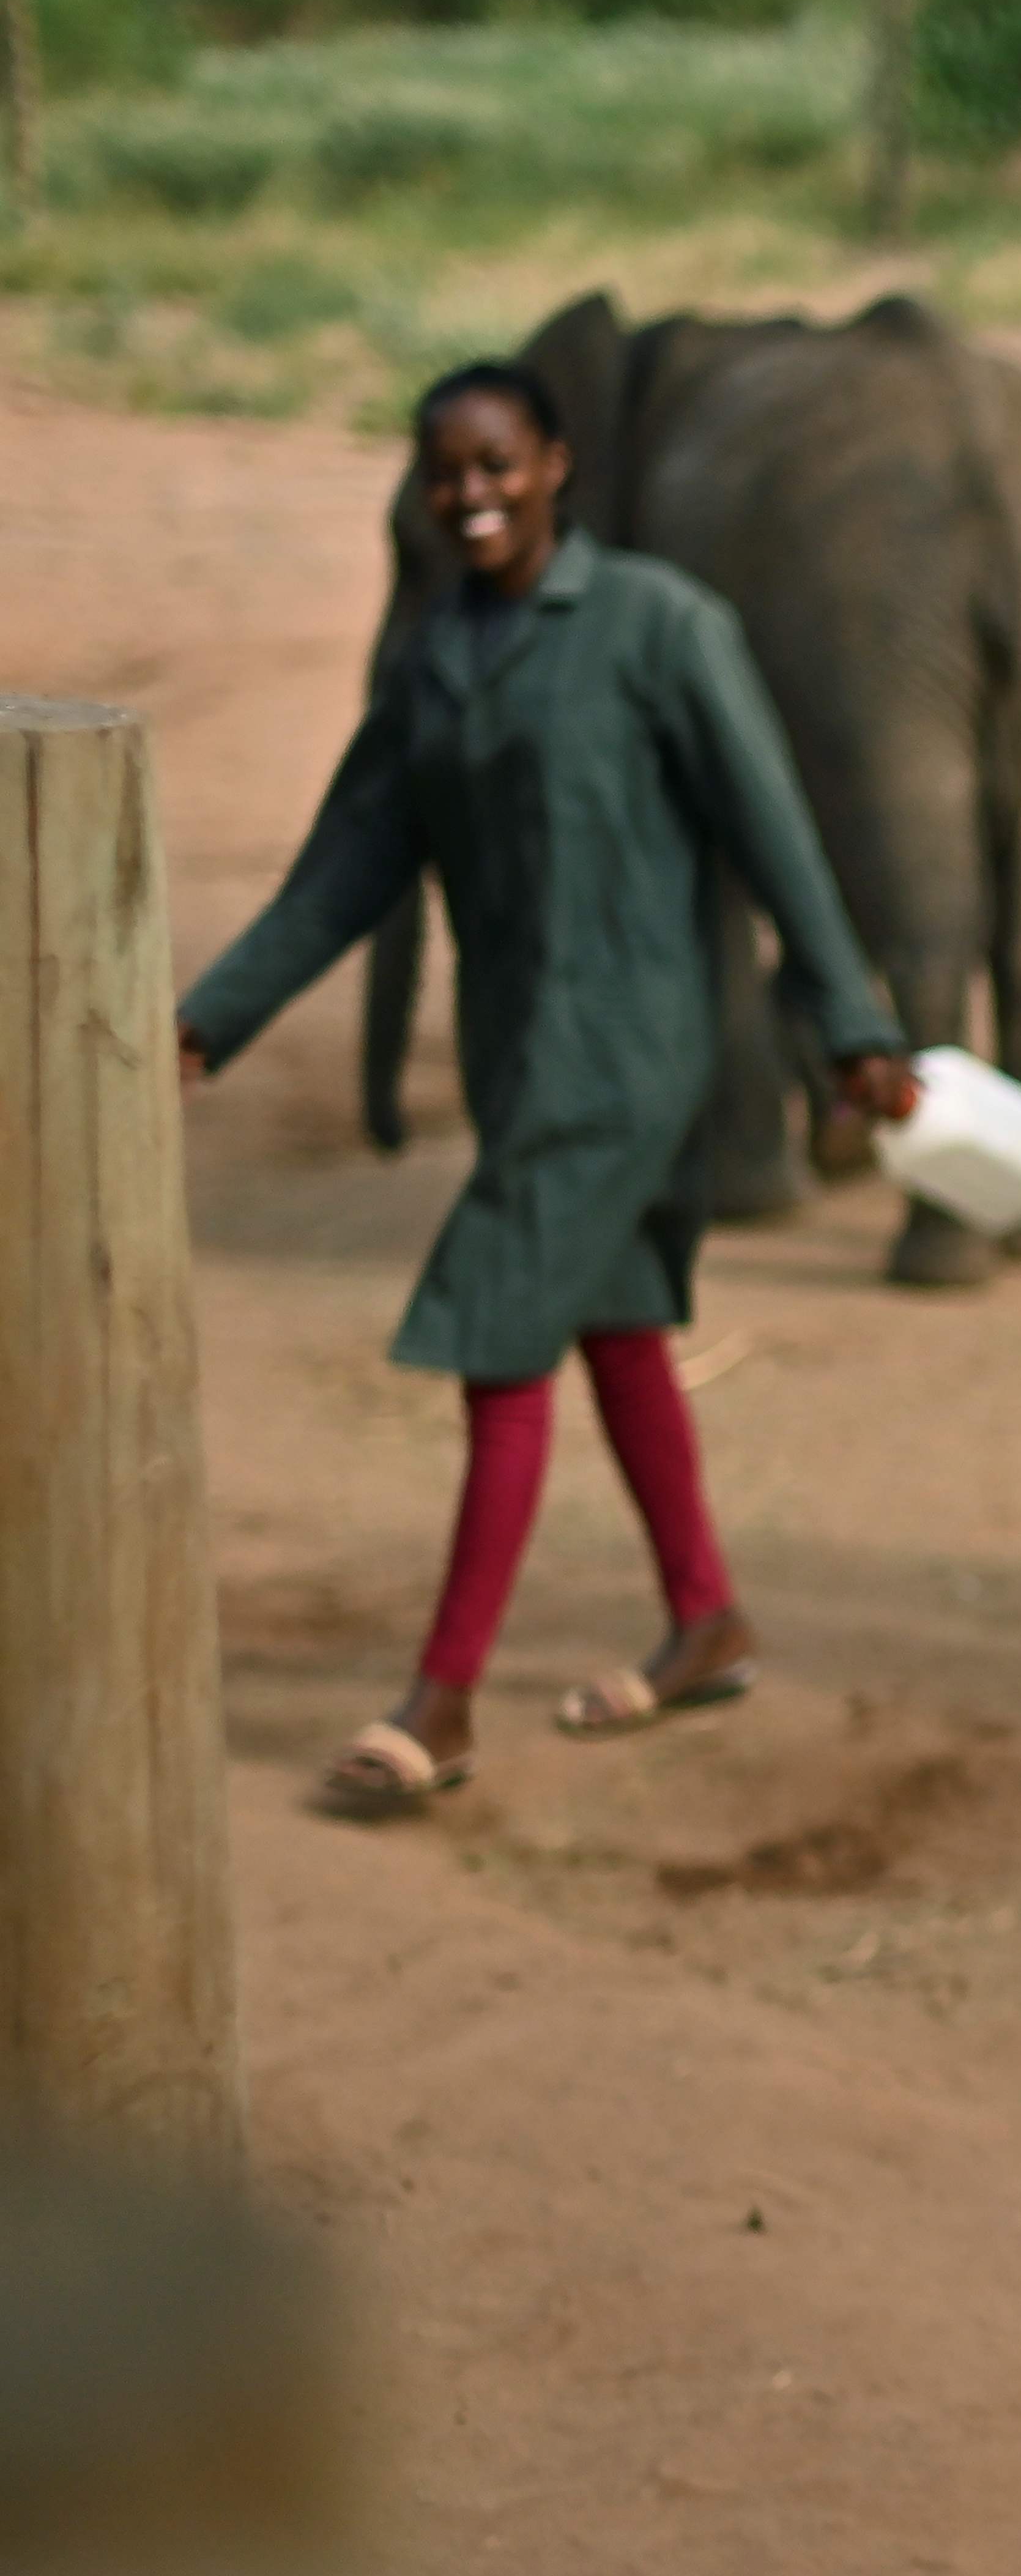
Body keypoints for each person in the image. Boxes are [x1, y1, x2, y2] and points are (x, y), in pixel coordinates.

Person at [177, 360, 924, 1816]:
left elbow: (777, 836)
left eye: (498, 465)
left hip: (636, 1056)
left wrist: (848, 1021)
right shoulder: (431, 657)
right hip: (523, 1049)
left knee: (500, 1336)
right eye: (444, 471)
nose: (470, 495)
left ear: (558, 467)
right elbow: (348, 867)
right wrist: (214, 1020)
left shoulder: (658, 627)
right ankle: (706, 1617)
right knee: (621, 1324)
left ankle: (441, 1697)